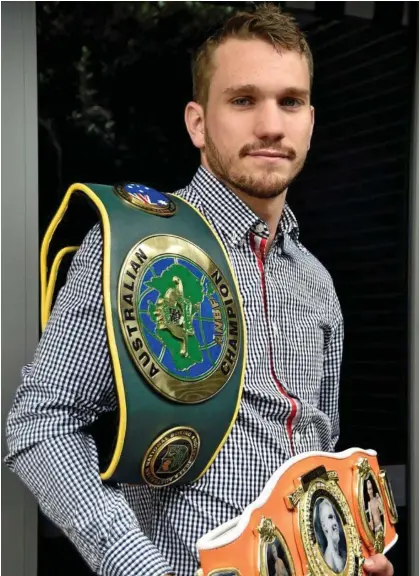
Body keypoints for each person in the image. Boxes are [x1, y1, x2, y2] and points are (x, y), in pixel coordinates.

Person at [5, 4, 394, 576]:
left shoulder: (317, 283)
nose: (270, 124)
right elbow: (39, 424)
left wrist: (349, 554)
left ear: (310, 120)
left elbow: (317, 454)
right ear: (197, 122)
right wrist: (138, 566)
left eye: (289, 102)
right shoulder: (140, 245)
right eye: (243, 100)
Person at [318, 498, 346, 573]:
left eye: (334, 517)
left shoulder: (342, 553)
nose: (335, 522)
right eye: (330, 517)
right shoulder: (329, 561)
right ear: (324, 526)